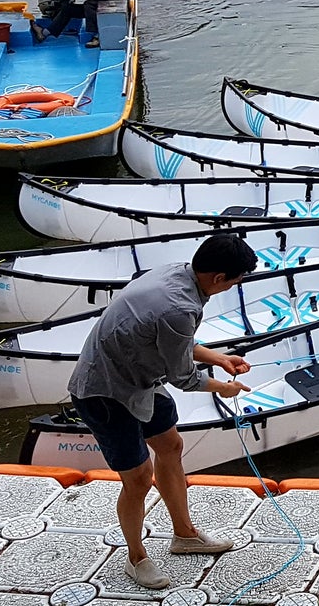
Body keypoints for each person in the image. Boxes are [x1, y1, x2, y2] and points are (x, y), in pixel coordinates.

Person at [66, 232, 259, 588]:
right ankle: (136, 558)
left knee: (170, 447)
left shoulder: (176, 273)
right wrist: (224, 387)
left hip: (142, 378)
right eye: (236, 280)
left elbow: (173, 339)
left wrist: (218, 357)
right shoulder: (181, 307)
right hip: (104, 391)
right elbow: (184, 378)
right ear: (218, 279)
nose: (236, 285)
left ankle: (184, 535)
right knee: (138, 479)